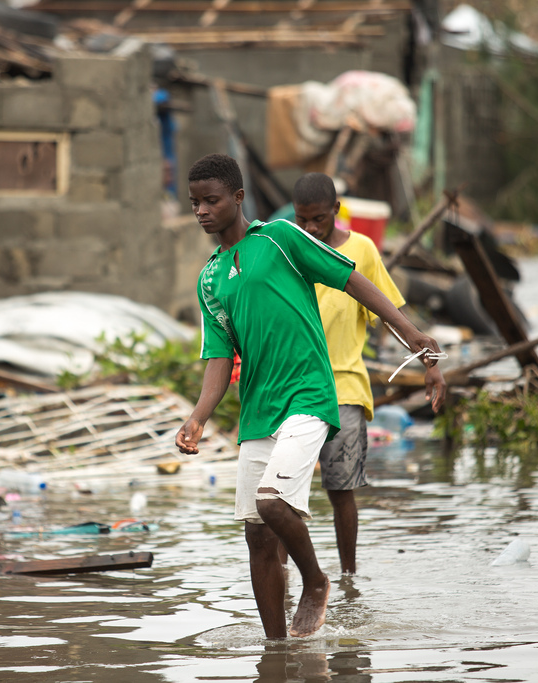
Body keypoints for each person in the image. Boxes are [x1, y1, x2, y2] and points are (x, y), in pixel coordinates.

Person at [175, 154, 445, 639]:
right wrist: (197, 417)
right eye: (194, 203)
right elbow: (219, 357)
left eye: (211, 201)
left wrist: (410, 331)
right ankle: (276, 651)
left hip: (308, 394)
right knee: (257, 534)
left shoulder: (280, 238)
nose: (201, 211)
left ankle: (317, 581)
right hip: (259, 412)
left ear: (238, 199)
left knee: (274, 502)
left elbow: (351, 278)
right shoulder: (209, 278)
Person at [291, 173, 446, 575]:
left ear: (336, 211)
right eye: (302, 220)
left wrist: (429, 363)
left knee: (341, 490)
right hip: (291, 394)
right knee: (282, 497)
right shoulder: (286, 250)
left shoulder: (361, 250)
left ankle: (348, 580)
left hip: (344, 389)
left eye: (319, 219)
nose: (310, 228)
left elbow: (390, 315)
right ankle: (285, 578)